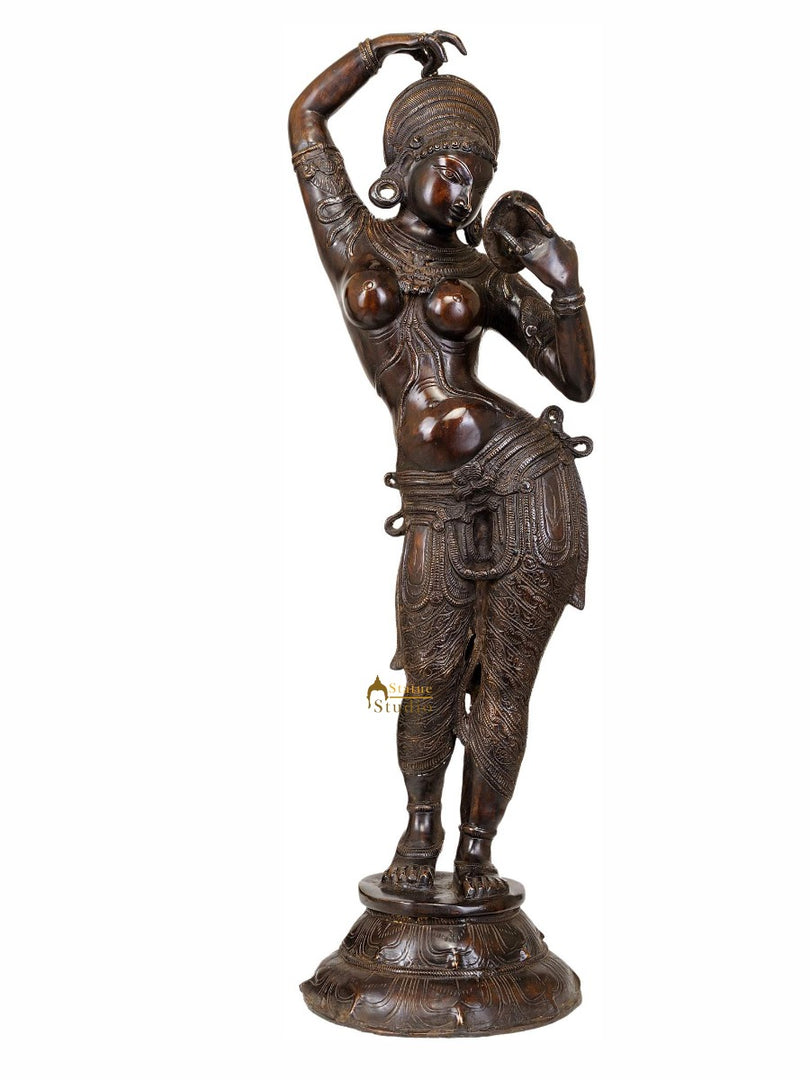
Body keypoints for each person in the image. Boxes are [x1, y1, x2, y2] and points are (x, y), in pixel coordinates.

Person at [289, 31, 595, 899]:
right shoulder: (353, 236)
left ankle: (478, 852)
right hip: (433, 497)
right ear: (406, 163)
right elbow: (305, 120)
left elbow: (575, 379)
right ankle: (418, 831)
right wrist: (375, 51)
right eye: (457, 171)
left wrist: (563, 283)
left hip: (529, 482)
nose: (470, 193)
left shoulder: (484, 271)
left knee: (505, 680)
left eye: (481, 179)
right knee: (426, 675)